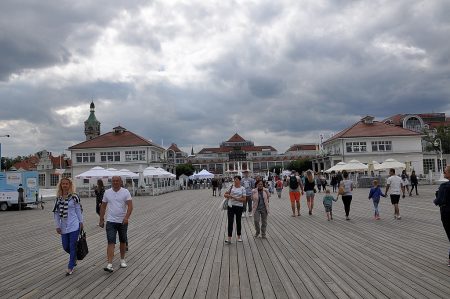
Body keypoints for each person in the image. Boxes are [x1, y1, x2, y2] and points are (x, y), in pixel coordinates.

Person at [99, 176, 133, 273]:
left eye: (117, 181)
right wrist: (101, 219)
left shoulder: (125, 192)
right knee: (111, 242)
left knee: (122, 241)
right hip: (111, 221)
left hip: (122, 221)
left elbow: (130, 206)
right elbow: (103, 207)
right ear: (112, 182)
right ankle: (109, 264)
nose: (115, 182)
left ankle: (122, 260)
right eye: (113, 181)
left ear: (120, 182)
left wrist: (126, 217)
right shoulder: (107, 192)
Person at [53, 178, 83, 276]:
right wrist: (57, 226)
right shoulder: (58, 198)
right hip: (63, 226)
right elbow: (56, 214)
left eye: (66, 184)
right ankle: (74, 258)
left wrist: (81, 222)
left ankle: (70, 267)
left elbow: (78, 210)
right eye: (63, 184)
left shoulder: (74, 197)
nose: (65, 185)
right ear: (60, 185)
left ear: (70, 185)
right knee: (65, 246)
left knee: (72, 246)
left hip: (74, 225)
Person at [433, 165, 450, 267]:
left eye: (445, 172)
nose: (444, 173)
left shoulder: (444, 186)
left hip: (447, 213)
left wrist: (435, 199)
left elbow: (439, 201)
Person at [224, 176, 246, 243]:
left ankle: (239, 236)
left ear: (240, 181)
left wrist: (236, 198)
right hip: (231, 206)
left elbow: (244, 199)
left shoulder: (242, 188)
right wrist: (229, 196)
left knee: (238, 221)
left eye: (236, 180)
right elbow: (225, 194)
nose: (235, 181)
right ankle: (229, 238)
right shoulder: (231, 187)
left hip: (239, 206)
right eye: (234, 180)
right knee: (230, 222)